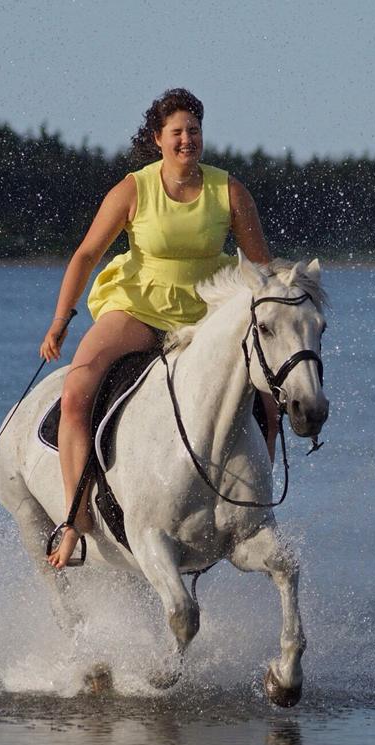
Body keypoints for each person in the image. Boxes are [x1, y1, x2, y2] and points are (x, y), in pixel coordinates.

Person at [38, 88, 278, 569]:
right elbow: (86, 254)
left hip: (206, 315)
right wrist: (62, 319)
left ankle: (252, 508)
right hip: (138, 308)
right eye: (177, 132)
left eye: (194, 131)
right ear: (158, 138)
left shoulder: (229, 191)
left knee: (270, 395)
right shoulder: (134, 189)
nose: (187, 140)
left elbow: (260, 267)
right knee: (77, 390)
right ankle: (73, 519)